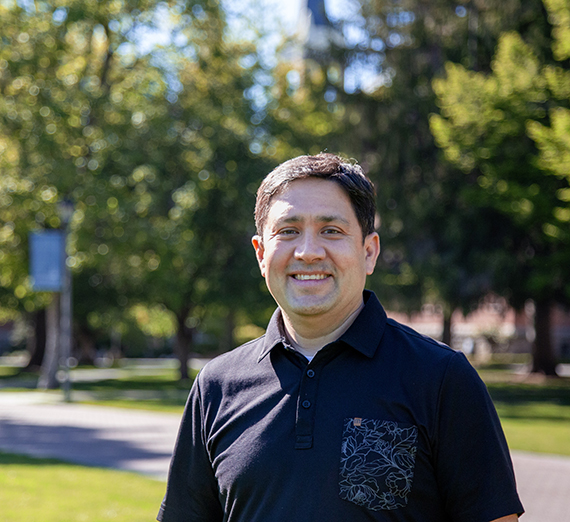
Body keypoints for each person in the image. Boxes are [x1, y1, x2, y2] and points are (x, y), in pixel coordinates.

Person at [158, 153, 524, 522]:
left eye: (331, 231)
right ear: (261, 255)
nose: (308, 252)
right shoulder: (216, 387)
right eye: (288, 231)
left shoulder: (441, 378)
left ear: (368, 252)